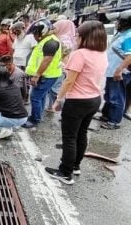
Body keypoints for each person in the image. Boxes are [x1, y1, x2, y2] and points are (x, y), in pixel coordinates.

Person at [45, 20, 108, 185]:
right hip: (94, 99)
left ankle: (65, 172)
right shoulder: (102, 54)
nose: (76, 38)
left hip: (77, 101)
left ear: (85, 37)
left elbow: (69, 82)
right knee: (82, 133)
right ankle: (75, 166)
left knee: (70, 137)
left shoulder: (80, 54)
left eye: (78, 35)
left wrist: (58, 100)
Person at [22, 18, 62, 129]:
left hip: (47, 76)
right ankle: (37, 116)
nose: (34, 36)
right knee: (41, 96)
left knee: (35, 97)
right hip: (46, 75)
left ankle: (35, 119)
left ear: (42, 31)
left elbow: (46, 60)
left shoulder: (51, 42)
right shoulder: (46, 40)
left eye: (35, 33)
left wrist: (37, 75)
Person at [96, 10, 131, 129]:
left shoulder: (129, 36)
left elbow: (129, 56)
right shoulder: (122, 33)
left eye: (119, 21)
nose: (116, 23)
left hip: (119, 72)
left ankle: (114, 121)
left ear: (125, 23)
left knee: (117, 97)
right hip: (112, 70)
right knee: (109, 95)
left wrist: (119, 70)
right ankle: (106, 115)